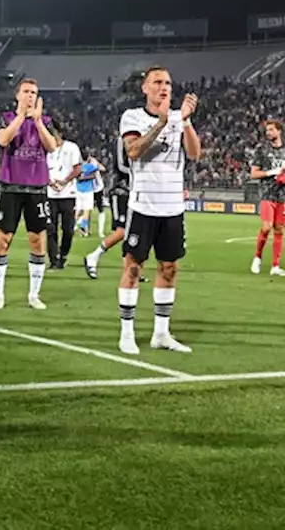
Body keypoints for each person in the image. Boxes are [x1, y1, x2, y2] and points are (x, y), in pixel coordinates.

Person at [115, 66, 200, 355]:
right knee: (134, 267)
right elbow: (134, 150)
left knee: (169, 268)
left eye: (167, 83)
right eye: (157, 82)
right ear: (145, 88)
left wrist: (184, 122)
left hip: (172, 207)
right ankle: (126, 333)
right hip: (143, 205)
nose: (164, 87)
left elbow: (195, 153)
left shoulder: (179, 118)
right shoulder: (133, 117)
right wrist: (163, 122)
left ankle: (161, 333)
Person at [0, 78, 58, 311]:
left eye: (34, 92)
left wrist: (37, 121)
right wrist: (21, 117)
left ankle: (34, 295)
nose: (30, 96)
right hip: (11, 188)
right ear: (17, 95)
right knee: (3, 240)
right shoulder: (6, 118)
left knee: (37, 241)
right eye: (26, 91)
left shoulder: (45, 121)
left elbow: (52, 146)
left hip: (37, 188)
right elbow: (3, 139)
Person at [83, 134, 137, 280]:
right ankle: (93, 256)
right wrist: (141, 173)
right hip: (121, 191)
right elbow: (120, 166)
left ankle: (131, 267)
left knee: (134, 231)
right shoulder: (122, 140)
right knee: (122, 231)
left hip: (134, 191)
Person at [249, 119, 285, 277]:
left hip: (283, 195)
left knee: (280, 230)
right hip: (267, 193)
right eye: (267, 130)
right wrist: (271, 173)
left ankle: (275, 266)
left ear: (279, 131)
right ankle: (257, 257)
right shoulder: (262, 149)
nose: (268, 133)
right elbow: (254, 173)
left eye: (271, 130)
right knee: (266, 227)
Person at [45, 128, 82, 270]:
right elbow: (40, 167)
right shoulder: (45, 148)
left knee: (68, 229)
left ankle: (63, 254)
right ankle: (54, 259)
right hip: (50, 194)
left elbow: (77, 168)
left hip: (68, 194)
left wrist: (65, 181)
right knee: (50, 228)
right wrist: (49, 181)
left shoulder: (71, 147)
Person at [75, 153, 101, 236]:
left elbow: (76, 176)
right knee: (87, 210)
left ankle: (73, 225)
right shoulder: (91, 166)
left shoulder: (78, 166)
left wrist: (81, 178)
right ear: (88, 157)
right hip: (88, 190)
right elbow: (97, 173)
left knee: (78, 209)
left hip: (78, 190)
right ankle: (82, 226)